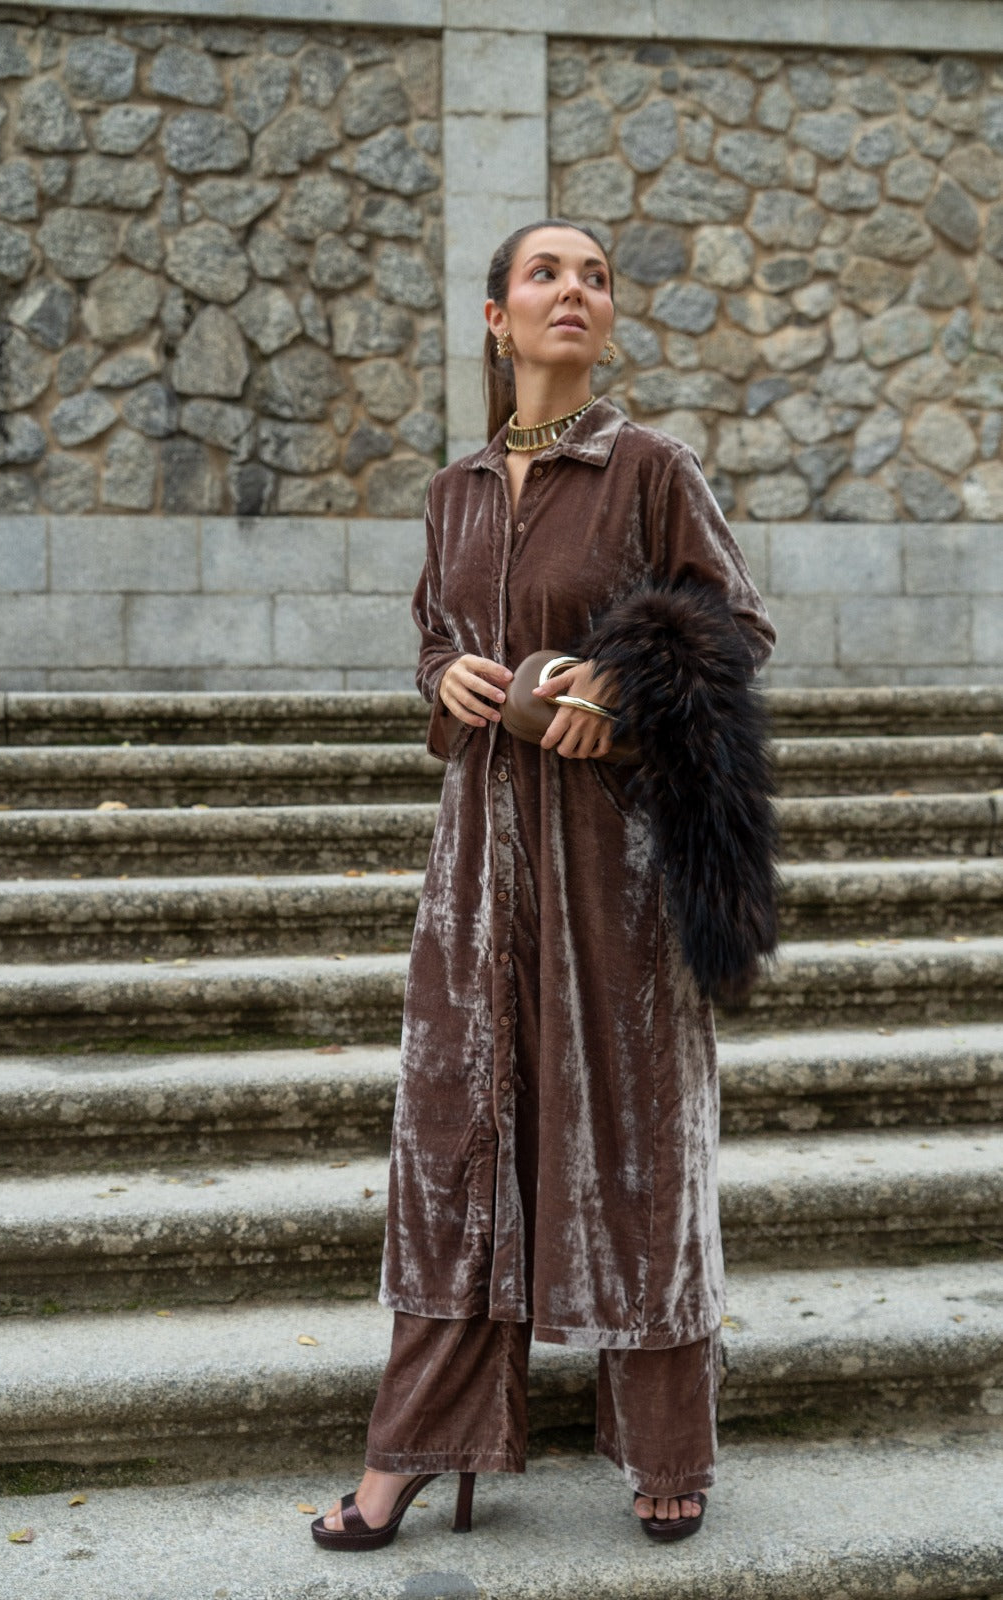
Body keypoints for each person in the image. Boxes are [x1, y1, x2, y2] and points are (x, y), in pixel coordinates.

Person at [313, 218, 777, 1553]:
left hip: (613, 864)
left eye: (594, 277)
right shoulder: (452, 491)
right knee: (456, 1146)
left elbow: (737, 628)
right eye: (545, 274)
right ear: (495, 318)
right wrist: (449, 679)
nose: (574, 291)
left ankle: (666, 1447)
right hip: (474, 868)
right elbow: (434, 639)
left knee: (634, 1140)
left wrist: (622, 679)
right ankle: (414, 1444)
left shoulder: (649, 467)